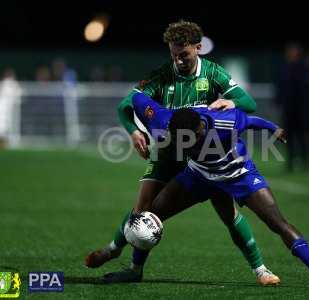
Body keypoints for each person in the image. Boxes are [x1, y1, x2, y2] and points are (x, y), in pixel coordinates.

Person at [86, 20, 278, 286]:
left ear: (198, 48)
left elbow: (249, 103)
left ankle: (261, 270)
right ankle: (125, 260)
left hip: (204, 154)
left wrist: (231, 101)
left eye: (183, 54)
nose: (178, 60)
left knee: (228, 213)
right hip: (168, 152)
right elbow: (124, 106)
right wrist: (134, 132)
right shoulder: (162, 75)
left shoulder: (213, 73)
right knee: (143, 210)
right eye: (173, 54)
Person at [125, 91, 309, 289]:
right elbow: (136, 98)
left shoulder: (226, 121)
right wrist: (136, 129)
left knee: (277, 222)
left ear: (200, 128)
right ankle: (135, 270)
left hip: (238, 175)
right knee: (151, 214)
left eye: (190, 139)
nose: (187, 144)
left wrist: (274, 128)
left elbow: (252, 121)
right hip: (199, 175)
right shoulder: (165, 122)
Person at [276, 43, 307, 171]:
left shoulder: (302, 68)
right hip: (288, 108)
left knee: (301, 136)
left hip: (299, 108)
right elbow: (280, 86)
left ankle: (305, 160)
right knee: (288, 136)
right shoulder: (284, 68)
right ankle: (290, 161)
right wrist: (278, 100)